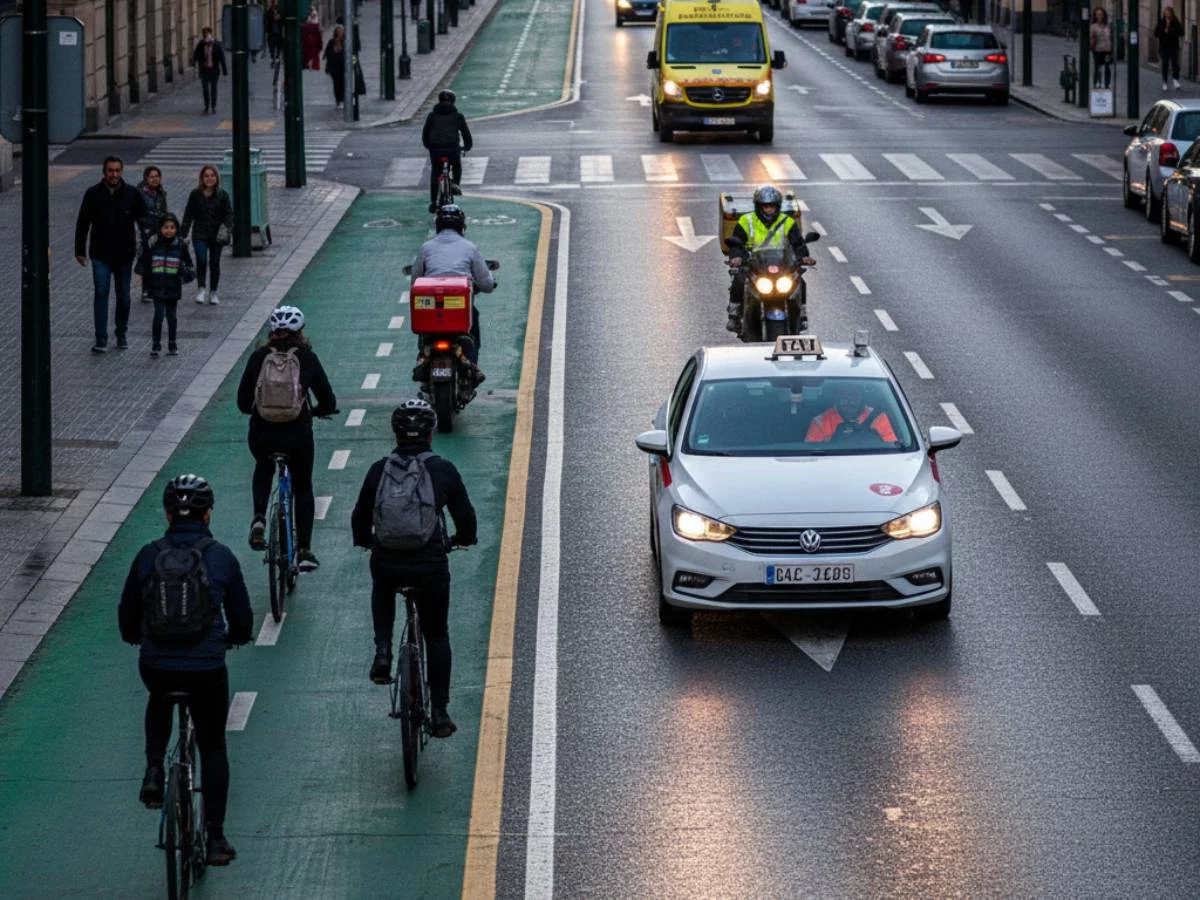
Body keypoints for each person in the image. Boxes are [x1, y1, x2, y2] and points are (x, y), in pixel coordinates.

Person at [118, 474, 253, 867]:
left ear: (166, 513)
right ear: (208, 514)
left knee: (158, 696)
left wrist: (136, 637)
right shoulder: (222, 556)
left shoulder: (147, 554)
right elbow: (242, 619)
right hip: (206, 665)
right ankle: (214, 839)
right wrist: (234, 637)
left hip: (156, 663)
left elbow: (127, 615)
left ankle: (154, 770)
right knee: (212, 746)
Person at [351, 399, 477, 738]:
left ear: (395, 433)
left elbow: (360, 516)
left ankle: (382, 651)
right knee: (437, 634)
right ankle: (439, 712)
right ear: (431, 434)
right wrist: (462, 539)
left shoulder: (379, 469)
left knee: (382, 587)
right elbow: (466, 519)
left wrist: (365, 540)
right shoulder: (443, 469)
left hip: (388, 560)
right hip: (430, 563)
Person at [236, 305, 338, 571]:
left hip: (262, 433)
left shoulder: (259, 357)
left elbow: (243, 403)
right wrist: (317, 411)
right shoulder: (307, 358)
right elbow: (328, 399)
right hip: (297, 434)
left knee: (263, 466)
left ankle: (259, 517)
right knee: (302, 486)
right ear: (300, 332)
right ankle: (304, 549)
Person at [409, 204, 495, 385]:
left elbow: (415, 282)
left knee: (425, 329)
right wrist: (488, 284)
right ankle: (472, 365)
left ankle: (422, 357)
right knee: (473, 325)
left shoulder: (426, 248)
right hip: (460, 310)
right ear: (462, 226)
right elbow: (486, 284)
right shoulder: (470, 248)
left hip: (431, 309)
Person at [74, 156, 148, 353]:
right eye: (110, 171)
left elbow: (144, 219)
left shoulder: (132, 194)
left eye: (117, 170)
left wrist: (147, 247)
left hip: (124, 254)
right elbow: (83, 223)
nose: (114, 174)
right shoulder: (92, 194)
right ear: (104, 172)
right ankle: (101, 338)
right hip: (100, 253)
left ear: (121, 172)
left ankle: (121, 332)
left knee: (123, 296)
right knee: (101, 293)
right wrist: (79, 251)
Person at [725, 184, 815, 334]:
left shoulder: (787, 221)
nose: (769, 210)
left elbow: (798, 243)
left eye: (772, 207)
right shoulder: (746, 221)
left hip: (781, 265)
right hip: (754, 264)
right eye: (765, 207)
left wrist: (804, 257)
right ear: (758, 207)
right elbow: (736, 244)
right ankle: (734, 315)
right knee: (739, 279)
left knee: (800, 281)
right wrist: (737, 258)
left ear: (778, 207)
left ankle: (802, 315)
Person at [135, 213, 195, 357]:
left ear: (176, 229)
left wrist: (182, 275)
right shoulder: (154, 244)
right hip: (157, 285)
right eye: (166, 227)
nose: (169, 230)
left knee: (171, 315)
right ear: (160, 229)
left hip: (173, 286)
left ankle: (172, 342)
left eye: (172, 227)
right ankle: (156, 343)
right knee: (159, 314)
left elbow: (190, 267)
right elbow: (144, 262)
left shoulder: (180, 246)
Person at [181, 165, 233, 306]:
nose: (209, 178)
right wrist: (182, 233)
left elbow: (229, 214)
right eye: (206, 176)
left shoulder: (222, 195)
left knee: (214, 262)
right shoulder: (195, 194)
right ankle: (201, 288)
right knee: (201, 259)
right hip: (200, 233)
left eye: (212, 175)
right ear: (202, 178)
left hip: (216, 235)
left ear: (217, 178)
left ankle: (213, 291)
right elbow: (188, 214)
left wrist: (226, 228)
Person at [422, 89, 473, 214]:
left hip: (436, 149)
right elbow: (466, 134)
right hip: (452, 148)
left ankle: (434, 202)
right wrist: (466, 147)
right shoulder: (458, 116)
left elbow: (425, 134)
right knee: (456, 165)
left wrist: (428, 146)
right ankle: (455, 184)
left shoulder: (432, 116)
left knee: (436, 171)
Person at [805, 383, 898, 444]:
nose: (849, 400)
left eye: (854, 395)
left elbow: (891, 448)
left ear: (863, 397)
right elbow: (812, 456)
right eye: (844, 395)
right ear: (836, 397)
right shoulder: (820, 422)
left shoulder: (880, 419)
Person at [136, 165, 168, 302]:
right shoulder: (140, 193)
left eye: (157, 176)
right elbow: (140, 213)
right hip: (145, 230)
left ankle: (154, 288)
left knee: (158, 260)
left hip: (159, 230)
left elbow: (164, 211)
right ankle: (146, 290)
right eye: (152, 177)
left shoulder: (161, 193)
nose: (155, 179)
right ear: (146, 178)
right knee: (147, 260)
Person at [192, 27, 228, 115]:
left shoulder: (216, 44)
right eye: (204, 34)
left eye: (207, 34)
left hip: (214, 70)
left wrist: (224, 70)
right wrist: (196, 62)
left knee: (213, 88)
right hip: (204, 70)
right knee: (205, 89)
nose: (205, 36)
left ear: (210, 34)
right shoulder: (201, 44)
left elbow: (221, 57)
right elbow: (196, 55)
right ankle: (207, 105)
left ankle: (213, 106)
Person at [1156, 6, 1184, 91]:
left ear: (1171, 13)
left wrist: (1171, 30)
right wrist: (1163, 30)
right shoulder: (1161, 22)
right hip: (1164, 46)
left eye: (1169, 13)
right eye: (1166, 13)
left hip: (1173, 46)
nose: (1167, 15)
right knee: (1165, 65)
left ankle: (1175, 79)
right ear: (1164, 14)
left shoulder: (1175, 22)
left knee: (1175, 64)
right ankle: (1164, 81)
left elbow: (1181, 32)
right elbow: (1156, 33)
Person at [324, 25, 346, 109]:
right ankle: (338, 101)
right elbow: (328, 55)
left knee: (343, 84)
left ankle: (343, 100)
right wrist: (328, 67)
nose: (340, 33)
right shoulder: (332, 42)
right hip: (334, 67)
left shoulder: (346, 42)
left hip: (343, 67)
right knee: (336, 84)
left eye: (341, 31)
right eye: (338, 31)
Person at [1090, 8, 1112, 89]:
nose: (1099, 16)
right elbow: (1091, 38)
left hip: (1107, 50)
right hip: (1097, 50)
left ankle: (1107, 84)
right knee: (1097, 67)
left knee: (1107, 67)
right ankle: (1096, 83)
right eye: (1097, 15)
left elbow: (1111, 37)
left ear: (1103, 16)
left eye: (1101, 14)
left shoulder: (1108, 26)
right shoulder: (1093, 27)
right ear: (1095, 16)